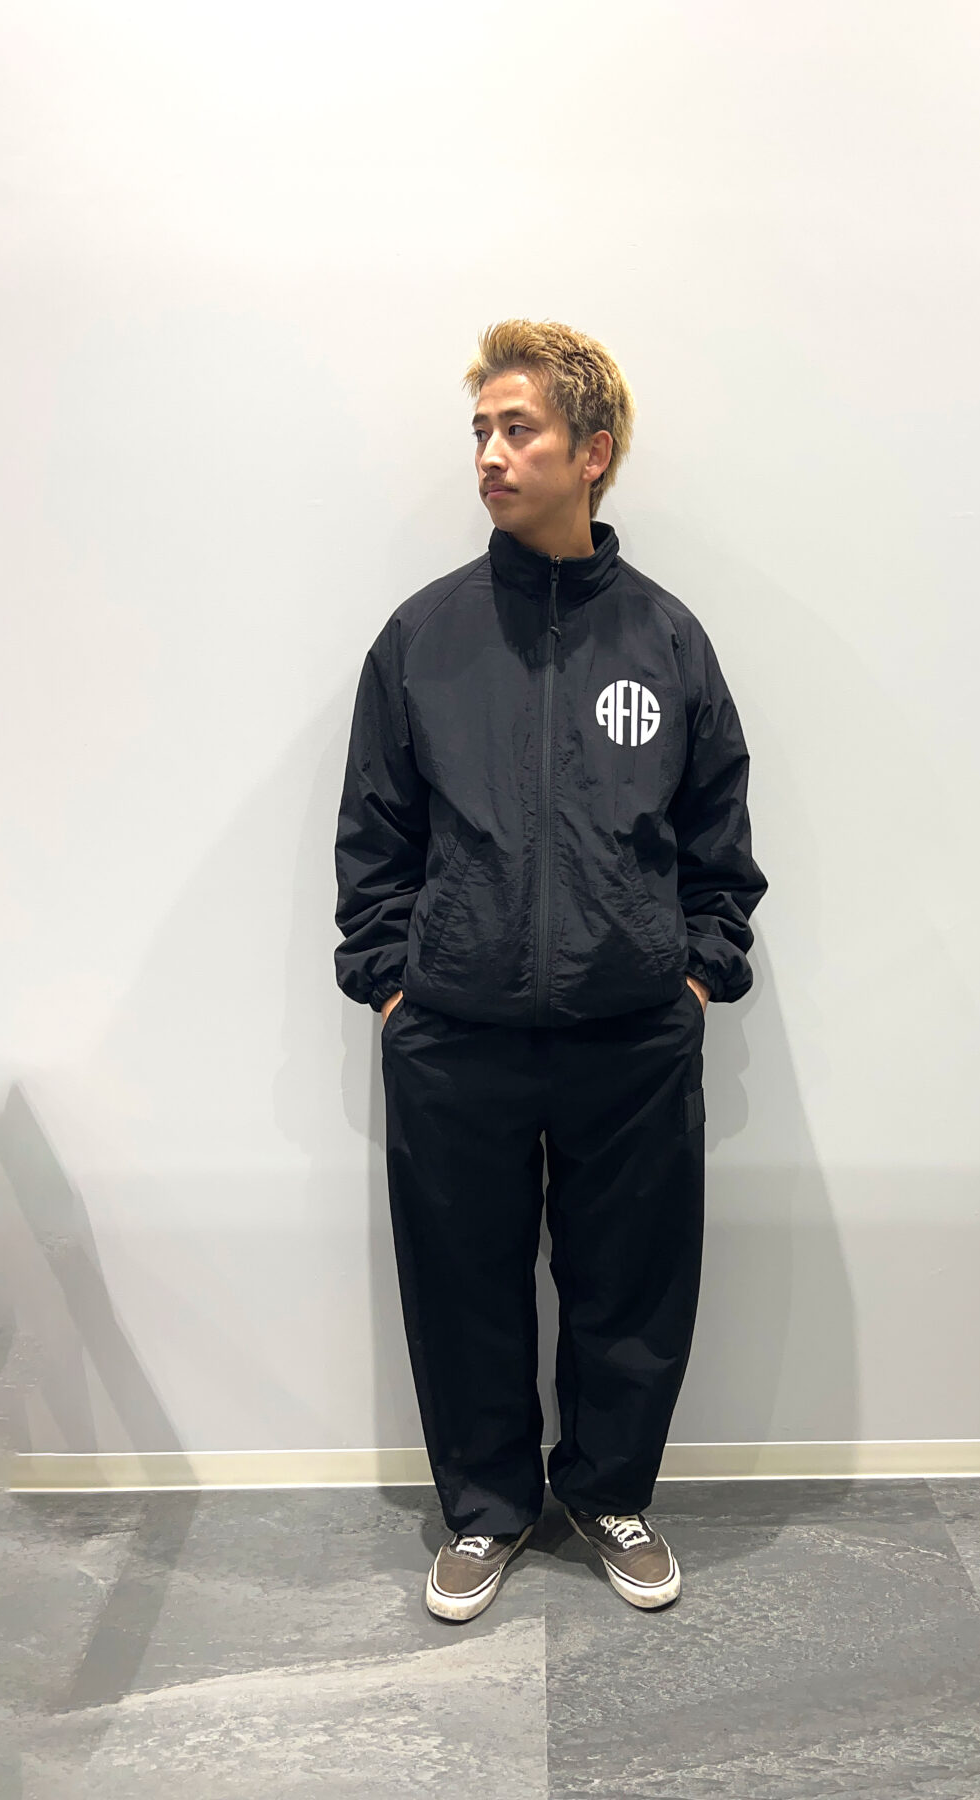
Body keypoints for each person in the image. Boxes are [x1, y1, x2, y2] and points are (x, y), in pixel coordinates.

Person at [334, 318, 767, 1623]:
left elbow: (716, 837)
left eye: (516, 429)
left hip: (629, 1037)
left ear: (593, 451)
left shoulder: (667, 641)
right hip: (453, 1033)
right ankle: (487, 1508)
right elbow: (375, 836)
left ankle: (608, 1490)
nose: (488, 454)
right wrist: (392, 982)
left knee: (631, 1285)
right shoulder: (422, 639)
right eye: (479, 430)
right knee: (461, 1284)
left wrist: (697, 975)